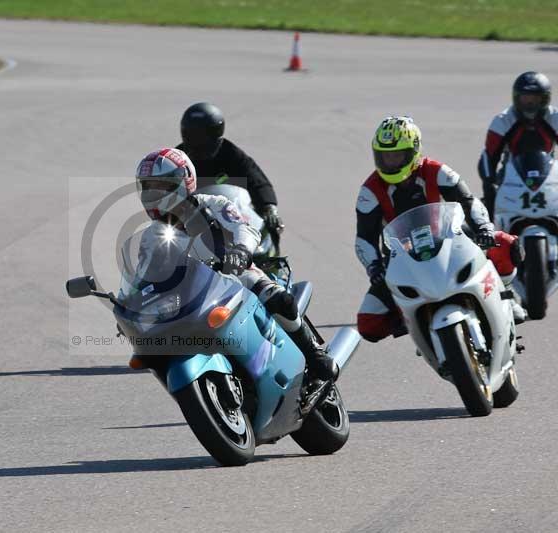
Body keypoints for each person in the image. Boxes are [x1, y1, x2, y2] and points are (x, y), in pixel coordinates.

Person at [133, 147, 337, 380]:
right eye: (148, 187)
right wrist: (133, 305)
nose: (153, 194)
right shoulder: (151, 236)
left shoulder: (212, 205)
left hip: (236, 276)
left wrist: (240, 250)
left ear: (183, 181)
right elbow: (145, 276)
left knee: (279, 299)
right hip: (192, 296)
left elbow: (245, 227)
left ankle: (313, 352)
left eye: (160, 186)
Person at [355, 116, 525, 342]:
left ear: (414, 151)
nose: (390, 162)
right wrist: (374, 267)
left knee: (505, 243)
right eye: (385, 156)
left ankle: (507, 293)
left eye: (397, 155)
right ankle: (412, 318)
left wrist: (484, 228)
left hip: (448, 240)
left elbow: (469, 201)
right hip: (400, 257)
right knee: (368, 324)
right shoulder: (370, 190)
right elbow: (364, 239)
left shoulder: (437, 170)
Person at [176, 102, 284, 235]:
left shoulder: (231, 154)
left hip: (231, 220)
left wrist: (269, 207)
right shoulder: (176, 159)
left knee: (269, 235)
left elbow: (256, 180)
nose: (200, 142)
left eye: (205, 136)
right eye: (194, 135)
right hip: (189, 227)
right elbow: (160, 189)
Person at [478, 71, 558, 217]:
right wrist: (489, 184)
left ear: (545, 99)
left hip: (550, 174)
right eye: (525, 98)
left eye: (535, 98)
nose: (530, 103)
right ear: (516, 98)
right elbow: (489, 157)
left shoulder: (555, 117)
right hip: (510, 174)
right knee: (489, 194)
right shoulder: (503, 120)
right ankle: (490, 232)